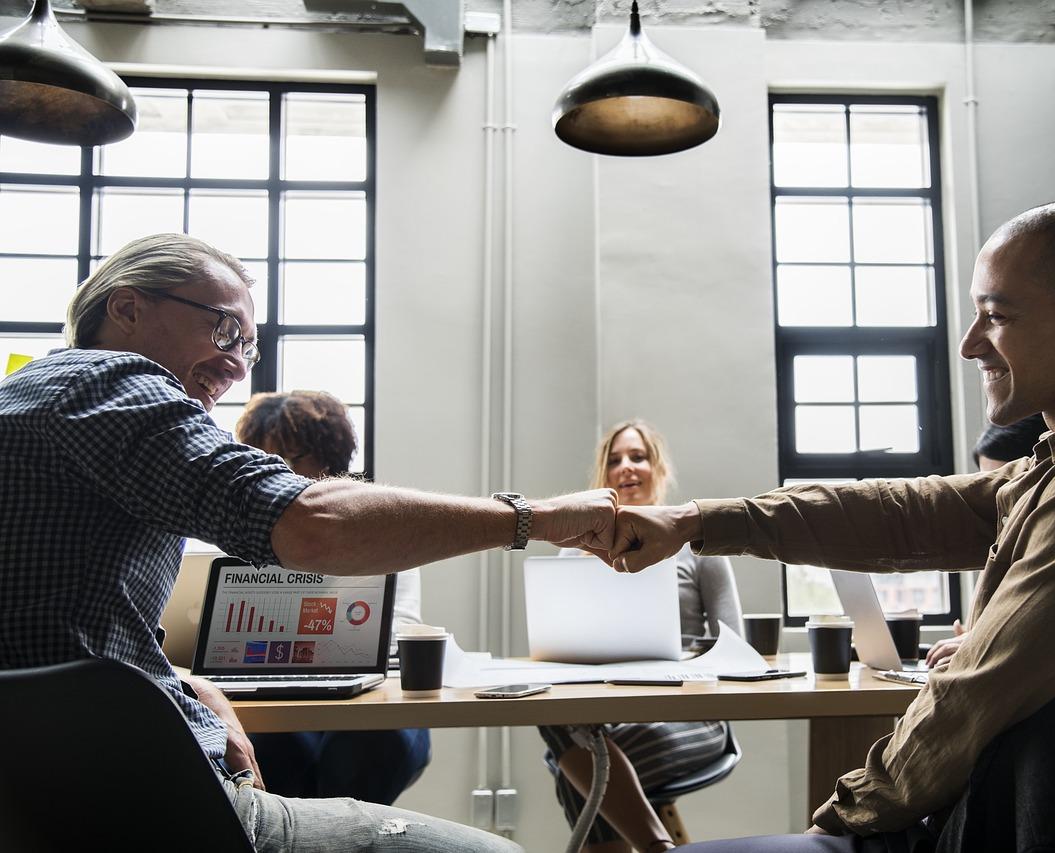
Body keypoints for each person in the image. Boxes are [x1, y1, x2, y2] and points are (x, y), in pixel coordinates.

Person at [606, 200, 1055, 848]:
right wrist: (691, 521)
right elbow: (902, 512)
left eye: (996, 316)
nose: (969, 343)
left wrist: (836, 821)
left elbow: (971, 697)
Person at [0, 232, 617, 853]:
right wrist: (540, 518)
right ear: (128, 310)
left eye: (248, 345)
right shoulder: (113, 383)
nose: (240, 364)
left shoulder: (25, 397)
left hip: (43, 796)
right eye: (223, 331)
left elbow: (53, 625)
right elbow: (312, 524)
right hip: (132, 805)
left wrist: (183, 679)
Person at [538, 420, 744, 853]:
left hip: (691, 714)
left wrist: (680, 666)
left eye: (638, 456)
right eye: (614, 460)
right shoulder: (575, 553)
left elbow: (735, 647)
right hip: (602, 710)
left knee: (578, 776)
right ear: (603, 476)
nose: (626, 467)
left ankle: (655, 848)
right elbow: (555, 645)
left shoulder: (698, 546)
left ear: (658, 468)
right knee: (551, 717)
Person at [234, 390, 432, 805]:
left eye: (289, 457)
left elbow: (399, 630)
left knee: (362, 749)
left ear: (328, 458)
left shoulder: (381, 526)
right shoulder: (240, 538)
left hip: (372, 700)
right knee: (266, 749)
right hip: (282, 701)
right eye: (259, 458)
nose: (273, 471)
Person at [924, 413, 1047, 670]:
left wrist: (981, 642)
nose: (997, 498)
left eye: (1006, 485)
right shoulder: (995, 547)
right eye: (986, 484)